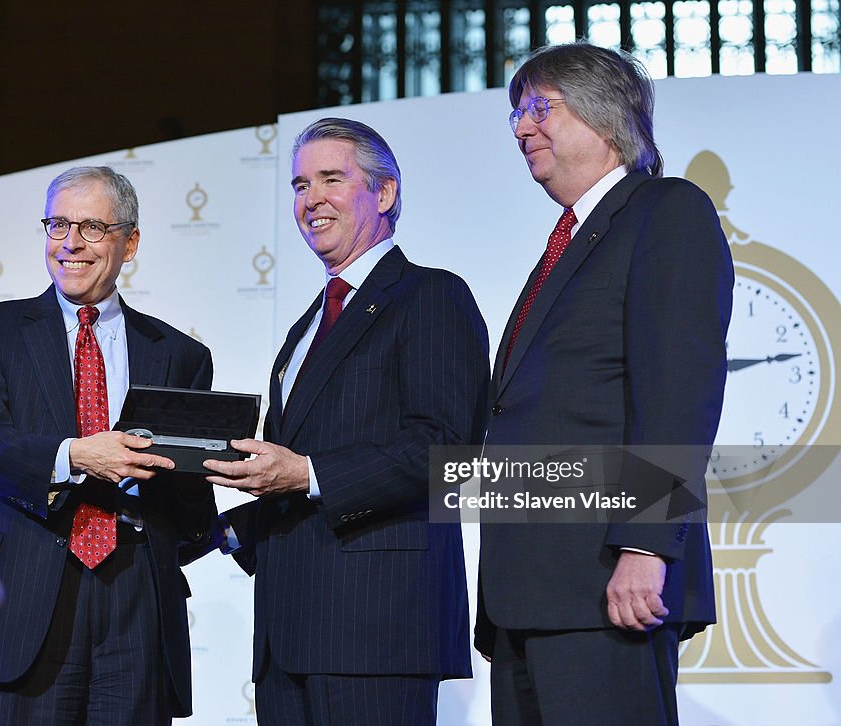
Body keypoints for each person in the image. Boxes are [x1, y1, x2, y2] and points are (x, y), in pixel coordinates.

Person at [475, 42, 732, 725]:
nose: (522, 128)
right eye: (515, 115)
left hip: (607, 585)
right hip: (528, 595)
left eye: (538, 108)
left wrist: (646, 545)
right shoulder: (568, 243)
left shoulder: (664, 212)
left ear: (606, 119)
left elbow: (679, 392)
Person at [203, 117, 490, 725]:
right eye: (300, 185)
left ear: (384, 194)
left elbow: (444, 453)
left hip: (379, 628)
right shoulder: (302, 329)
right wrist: (216, 531)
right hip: (287, 636)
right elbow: (296, 472)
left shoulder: (432, 296)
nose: (311, 200)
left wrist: (305, 473)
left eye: (332, 179)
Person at [0, 166, 215, 725]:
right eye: (57, 224)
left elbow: (187, 490)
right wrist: (76, 456)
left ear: (129, 242)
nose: (70, 243)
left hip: (137, 599)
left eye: (91, 226)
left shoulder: (179, 354)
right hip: (20, 590)